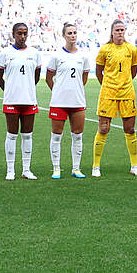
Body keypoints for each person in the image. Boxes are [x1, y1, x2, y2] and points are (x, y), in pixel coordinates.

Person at [93, 20, 137, 177]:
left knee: (130, 129)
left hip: (127, 93)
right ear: (112, 32)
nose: (120, 32)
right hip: (108, 94)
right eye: (117, 30)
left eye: (122, 30)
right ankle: (96, 166)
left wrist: (124, 83)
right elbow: (99, 71)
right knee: (103, 129)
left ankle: (134, 166)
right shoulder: (105, 49)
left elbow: (133, 71)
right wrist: (108, 85)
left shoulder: (131, 49)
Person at [0, 22, 42, 181]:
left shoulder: (35, 53)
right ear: (13, 34)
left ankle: (26, 169)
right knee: (12, 135)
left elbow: (35, 77)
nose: (22, 37)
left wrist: (26, 88)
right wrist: (10, 90)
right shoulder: (5, 53)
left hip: (29, 100)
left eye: (25, 33)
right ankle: (10, 170)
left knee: (27, 135)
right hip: (12, 101)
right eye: (19, 33)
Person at [46, 23, 91, 179]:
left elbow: (83, 78)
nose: (72, 35)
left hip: (77, 102)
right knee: (56, 135)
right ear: (63, 36)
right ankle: (56, 168)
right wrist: (59, 90)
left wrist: (74, 89)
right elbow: (48, 78)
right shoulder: (56, 56)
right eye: (69, 33)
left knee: (77, 135)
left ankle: (76, 168)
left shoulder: (83, 57)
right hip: (59, 102)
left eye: (74, 33)